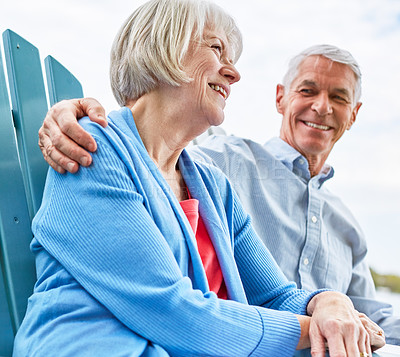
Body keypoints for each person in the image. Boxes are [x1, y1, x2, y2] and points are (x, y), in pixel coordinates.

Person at [19, 0, 386, 355]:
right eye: (216, 49)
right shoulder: (91, 150)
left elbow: (274, 297)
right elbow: (172, 312)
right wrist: (316, 331)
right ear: (163, 45)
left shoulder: (213, 186)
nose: (235, 72)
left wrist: (329, 302)